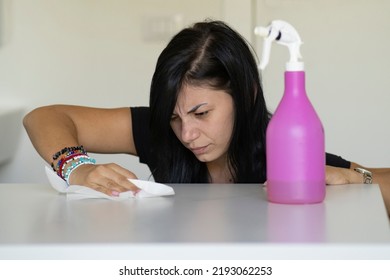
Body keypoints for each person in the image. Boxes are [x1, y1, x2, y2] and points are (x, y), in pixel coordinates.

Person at [23, 20, 390, 215]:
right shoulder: (159, 132)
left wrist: (361, 180)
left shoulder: (280, 148)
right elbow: (44, 117)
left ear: (244, 95)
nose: (187, 133)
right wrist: (77, 168)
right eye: (174, 117)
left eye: (201, 113)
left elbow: (371, 180)